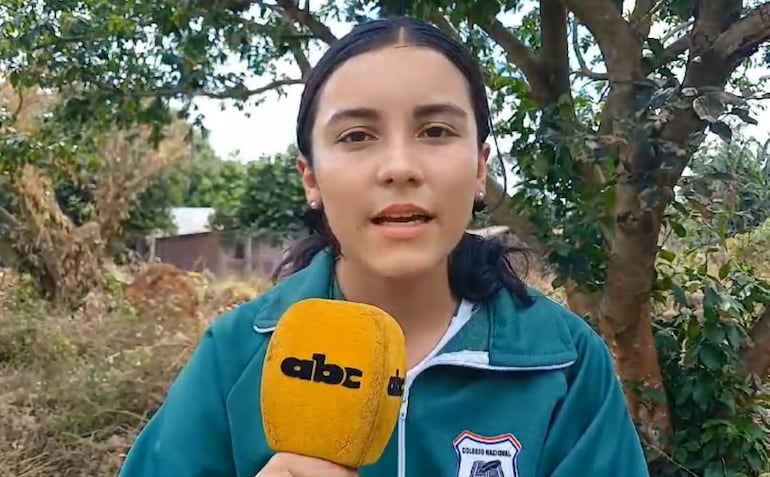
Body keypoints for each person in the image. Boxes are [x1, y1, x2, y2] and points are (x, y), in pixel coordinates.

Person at [118, 16, 650, 477]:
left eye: (437, 130)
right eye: (356, 136)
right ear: (311, 177)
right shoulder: (235, 356)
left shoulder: (564, 364)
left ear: (481, 167)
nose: (399, 167)